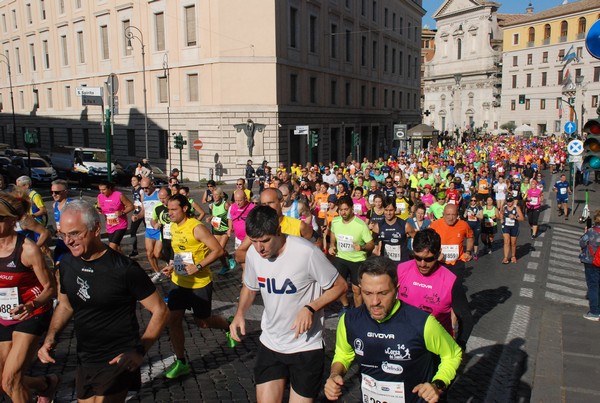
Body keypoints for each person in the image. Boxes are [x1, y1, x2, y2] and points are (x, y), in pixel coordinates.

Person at [37, 200, 168, 402]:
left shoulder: (124, 268)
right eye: (62, 235)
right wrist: (50, 337)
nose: (68, 241)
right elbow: (65, 305)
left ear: (96, 229)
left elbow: (161, 311)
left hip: (117, 358)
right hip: (85, 357)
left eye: (74, 233)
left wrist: (139, 350)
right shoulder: (67, 264)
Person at [229, 206, 347, 402]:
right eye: (255, 242)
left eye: (265, 241)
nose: (260, 248)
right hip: (271, 343)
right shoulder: (253, 254)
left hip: (305, 346)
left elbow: (340, 286)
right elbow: (250, 288)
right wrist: (240, 313)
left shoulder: (306, 252)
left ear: (278, 231)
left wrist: (311, 307)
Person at [324, 256, 462, 403]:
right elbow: (343, 354)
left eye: (383, 293)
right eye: (368, 293)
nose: (375, 302)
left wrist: (438, 384)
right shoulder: (349, 320)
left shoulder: (422, 322)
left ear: (396, 289)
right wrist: (334, 375)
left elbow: (452, 354)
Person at [161, 194, 234, 379]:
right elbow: (180, 252)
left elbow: (218, 250)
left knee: (203, 322)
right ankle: (181, 362)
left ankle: (227, 325)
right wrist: (172, 266)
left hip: (200, 282)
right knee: (173, 320)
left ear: (185, 208)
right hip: (179, 282)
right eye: (168, 210)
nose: (170, 213)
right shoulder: (173, 227)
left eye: (173, 209)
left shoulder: (197, 227)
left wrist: (198, 267)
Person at [0, 192, 58, 403]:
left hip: (32, 313)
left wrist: (32, 304)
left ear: (12, 220)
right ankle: (46, 384)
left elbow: (51, 288)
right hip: (5, 314)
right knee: (3, 379)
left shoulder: (27, 249)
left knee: (11, 380)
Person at [397, 229, 474, 349]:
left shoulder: (451, 281)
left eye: (428, 259)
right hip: (405, 341)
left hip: (436, 346)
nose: (422, 264)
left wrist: (461, 345)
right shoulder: (400, 270)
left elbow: (466, 317)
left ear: (438, 254)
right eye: (417, 258)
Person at [329, 195, 375, 309]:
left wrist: (362, 247)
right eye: (341, 210)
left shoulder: (361, 225)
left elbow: (371, 244)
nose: (343, 212)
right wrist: (331, 245)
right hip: (341, 258)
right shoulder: (335, 221)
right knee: (340, 286)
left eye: (346, 209)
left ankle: (358, 312)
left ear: (352, 208)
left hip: (357, 260)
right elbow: (333, 233)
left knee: (356, 289)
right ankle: (345, 307)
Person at [429, 204, 474, 279]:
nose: (450, 218)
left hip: (457, 262)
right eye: (448, 214)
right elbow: (428, 241)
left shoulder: (463, 225)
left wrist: (468, 251)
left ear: (457, 215)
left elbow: (470, 237)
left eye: (453, 215)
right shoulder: (434, 225)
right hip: (439, 262)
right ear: (443, 214)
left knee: (455, 285)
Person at [136, 177, 165, 283]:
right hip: (149, 229)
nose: (145, 190)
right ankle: (158, 273)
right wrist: (137, 216)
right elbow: (143, 211)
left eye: (146, 187)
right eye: (142, 188)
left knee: (157, 254)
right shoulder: (143, 195)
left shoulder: (158, 194)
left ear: (152, 184)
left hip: (159, 229)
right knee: (149, 254)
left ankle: (170, 262)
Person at [374, 196, 415, 263]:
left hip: (402, 262)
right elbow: (373, 245)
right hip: (386, 263)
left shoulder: (405, 225)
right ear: (383, 209)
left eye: (391, 210)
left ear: (395, 209)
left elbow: (417, 240)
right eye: (386, 210)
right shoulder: (378, 226)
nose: (388, 213)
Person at [97, 181, 134, 253]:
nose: (102, 192)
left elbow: (131, 206)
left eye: (104, 189)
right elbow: (99, 207)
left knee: (112, 247)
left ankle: (113, 263)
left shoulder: (119, 195)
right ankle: (124, 262)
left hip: (120, 225)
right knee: (117, 248)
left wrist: (122, 212)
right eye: (100, 190)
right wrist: (100, 210)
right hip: (110, 225)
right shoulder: (100, 196)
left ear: (110, 188)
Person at [207, 187, 236, 275]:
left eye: (217, 195)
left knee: (220, 249)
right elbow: (213, 215)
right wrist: (210, 218)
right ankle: (225, 265)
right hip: (216, 229)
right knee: (217, 250)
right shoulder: (212, 205)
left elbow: (232, 216)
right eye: (213, 195)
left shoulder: (225, 205)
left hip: (225, 230)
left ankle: (229, 258)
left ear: (221, 195)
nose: (215, 197)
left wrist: (231, 227)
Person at [579, 210, 600, 321]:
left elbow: (582, 242)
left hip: (591, 261)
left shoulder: (592, 232)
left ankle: (595, 312)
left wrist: (586, 232)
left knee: (593, 286)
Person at [50, 179, 72, 266]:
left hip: (71, 241)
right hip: (61, 240)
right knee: (57, 266)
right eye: (52, 192)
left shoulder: (72, 204)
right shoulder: (54, 205)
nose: (53, 195)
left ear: (65, 192)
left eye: (57, 192)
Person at [150, 188, 174, 263]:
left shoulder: (175, 206)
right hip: (164, 236)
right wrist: (155, 225)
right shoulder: (157, 207)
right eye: (160, 198)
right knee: (163, 256)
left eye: (164, 198)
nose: (162, 200)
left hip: (176, 237)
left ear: (169, 196)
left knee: (173, 261)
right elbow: (153, 219)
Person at [501, 196, 525, 264]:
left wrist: (514, 217)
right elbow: (501, 213)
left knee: (513, 243)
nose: (509, 203)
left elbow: (522, 218)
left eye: (510, 202)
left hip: (514, 227)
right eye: (508, 202)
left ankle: (513, 256)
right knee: (506, 241)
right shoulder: (504, 207)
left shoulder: (516, 208)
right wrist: (502, 219)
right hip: (506, 226)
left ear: (513, 201)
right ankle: (505, 258)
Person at [128, 175, 144, 257]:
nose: (132, 182)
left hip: (143, 212)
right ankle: (134, 249)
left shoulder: (141, 190)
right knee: (132, 230)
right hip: (136, 212)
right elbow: (135, 202)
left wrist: (140, 208)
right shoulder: (133, 190)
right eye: (131, 180)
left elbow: (143, 202)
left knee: (149, 229)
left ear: (138, 181)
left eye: (134, 180)